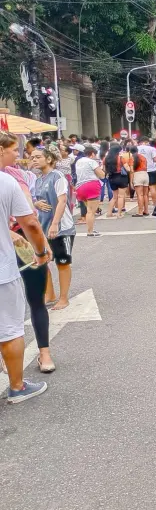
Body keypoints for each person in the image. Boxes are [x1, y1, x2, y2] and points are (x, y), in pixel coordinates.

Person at [0, 131, 55, 380]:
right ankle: (16, 378)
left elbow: (31, 211)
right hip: (22, 241)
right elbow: (30, 221)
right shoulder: (9, 180)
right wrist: (41, 248)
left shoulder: (22, 176)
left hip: (23, 240)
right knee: (19, 310)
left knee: (36, 299)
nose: (20, 155)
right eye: (14, 150)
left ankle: (44, 352)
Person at [32, 145, 75, 312]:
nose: (33, 160)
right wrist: (36, 203)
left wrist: (55, 223)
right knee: (44, 261)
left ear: (49, 159)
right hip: (43, 228)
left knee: (62, 262)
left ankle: (64, 298)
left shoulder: (57, 176)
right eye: (32, 157)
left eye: (37, 157)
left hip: (61, 228)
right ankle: (49, 294)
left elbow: (62, 201)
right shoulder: (38, 179)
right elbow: (35, 200)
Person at [74, 145, 105, 237]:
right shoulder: (92, 162)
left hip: (80, 186)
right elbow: (101, 175)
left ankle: (91, 229)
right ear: (92, 154)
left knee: (88, 210)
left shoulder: (78, 161)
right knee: (91, 211)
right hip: (91, 186)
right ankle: (90, 231)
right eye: (95, 155)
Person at [104, 143, 127, 219]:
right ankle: (119, 213)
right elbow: (127, 168)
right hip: (121, 177)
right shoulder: (120, 158)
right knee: (121, 196)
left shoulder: (106, 159)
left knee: (114, 197)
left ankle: (109, 213)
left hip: (111, 177)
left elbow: (104, 170)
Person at [126, 145, 150, 216]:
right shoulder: (143, 157)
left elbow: (131, 171)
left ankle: (140, 212)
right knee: (145, 195)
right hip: (145, 174)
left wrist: (131, 181)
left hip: (138, 175)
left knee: (139, 195)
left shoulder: (132, 158)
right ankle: (146, 211)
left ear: (130, 152)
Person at [139, 137, 156, 210]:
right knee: (152, 188)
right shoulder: (152, 149)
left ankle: (145, 207)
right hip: (151, 170)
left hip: (141, 170)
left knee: (144, 190)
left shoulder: (137, 148)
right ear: (147, 141)